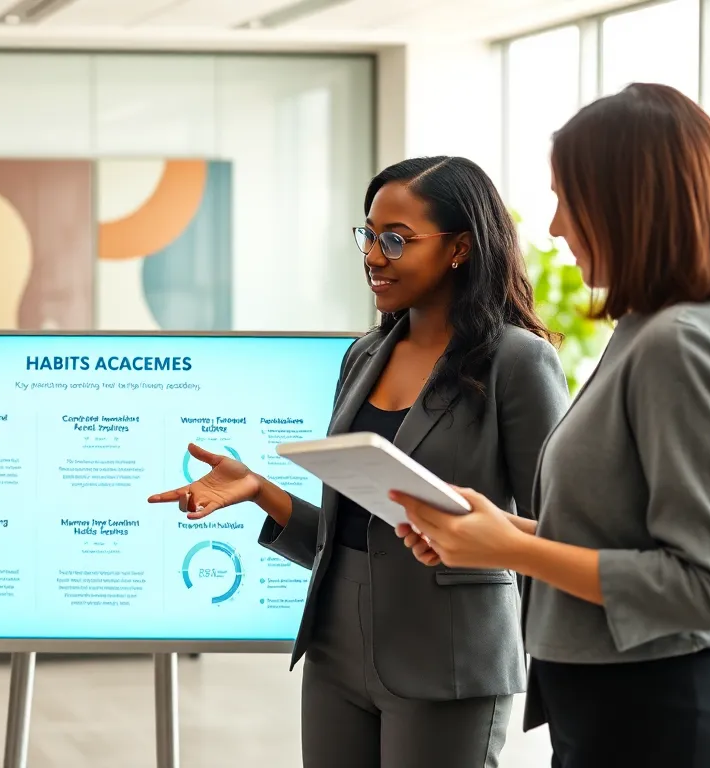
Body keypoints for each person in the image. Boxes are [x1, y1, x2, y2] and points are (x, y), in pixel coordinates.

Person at [391, 83, 710, 768]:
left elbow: (702, 586)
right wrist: (506, 533)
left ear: (629, 202)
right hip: (624, 708)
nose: (555, 226)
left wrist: (514, 551)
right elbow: (623, 536)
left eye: (568, 199)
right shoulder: (656, 327)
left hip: (660, 718)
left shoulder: (680, 342)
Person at [148, 156, 570, 767]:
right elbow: (351, 533)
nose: (373, 256)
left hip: (448, 658)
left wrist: (570, 682)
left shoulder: (516, 361)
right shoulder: (364, 354)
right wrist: (260, 490)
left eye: (395, 240)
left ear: (459, 247)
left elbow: (555, 534)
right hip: (336, 649)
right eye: (367, 236)